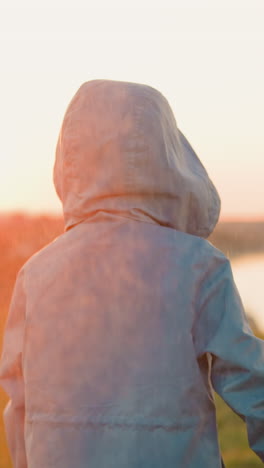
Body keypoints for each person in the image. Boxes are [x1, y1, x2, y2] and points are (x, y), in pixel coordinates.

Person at [0, 79, 263, 468]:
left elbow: (18, 401)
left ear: (72, 157)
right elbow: (252, 383)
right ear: (169, 155)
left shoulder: (36, 273)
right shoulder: (197, 265)